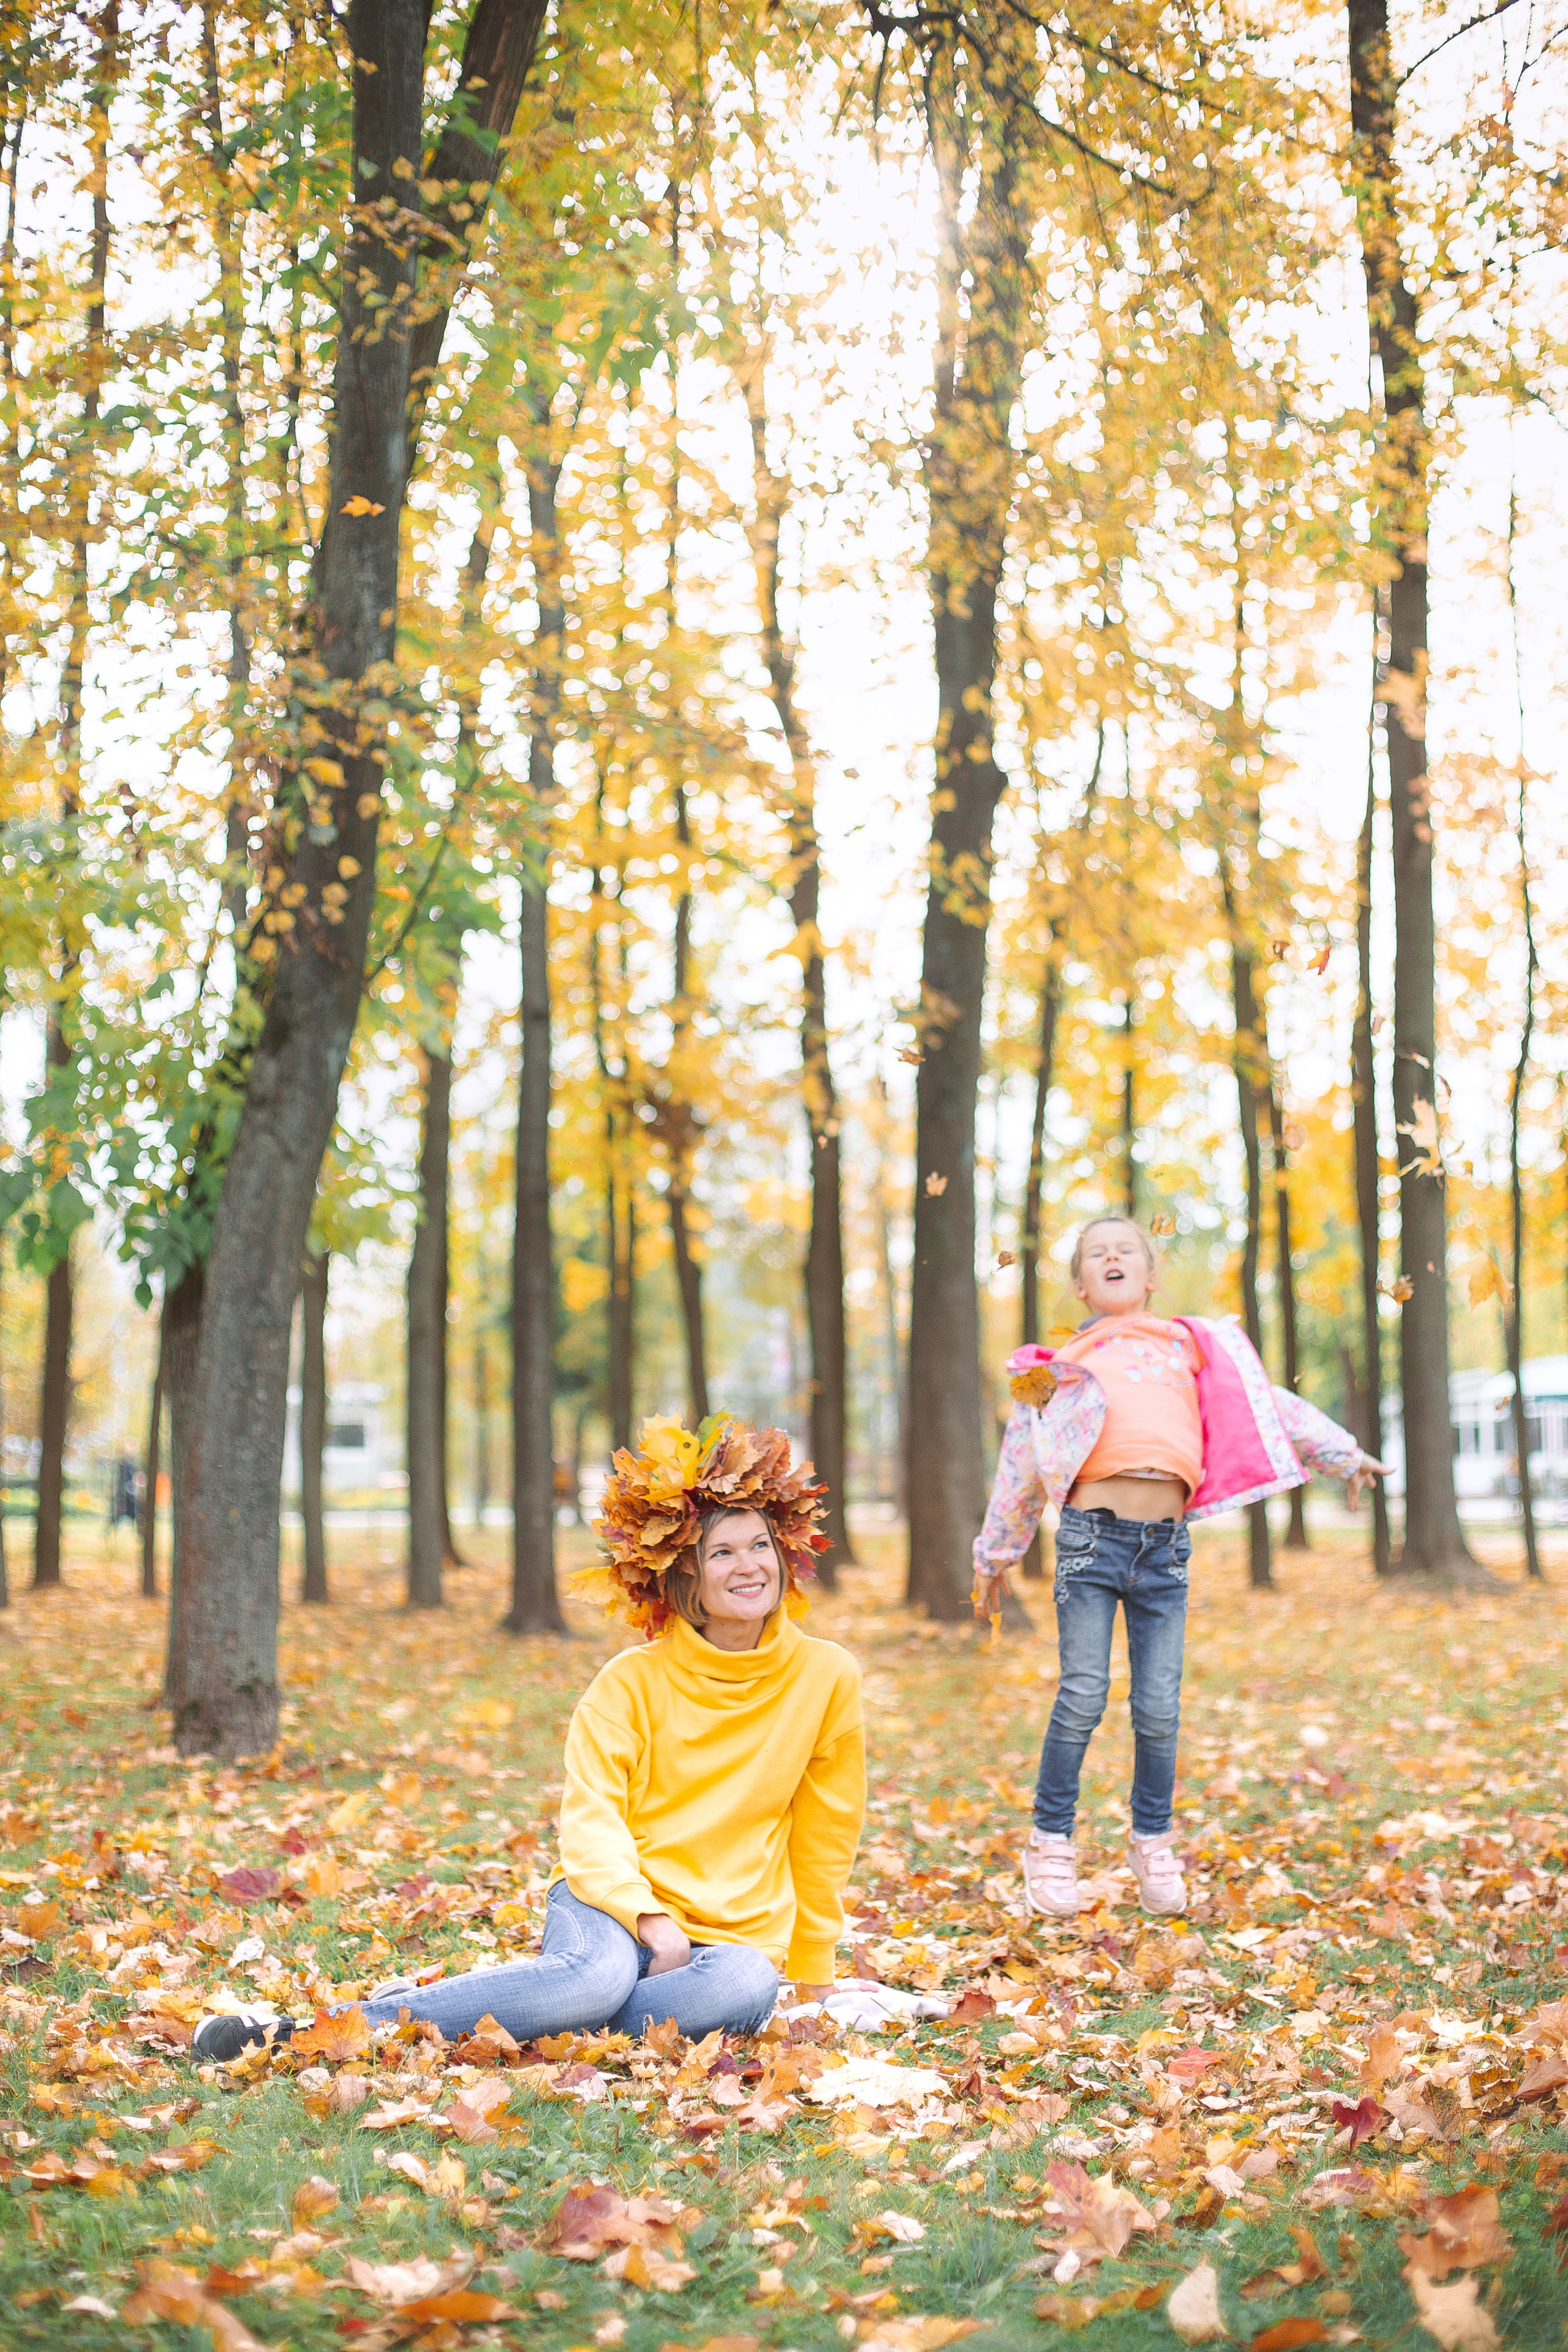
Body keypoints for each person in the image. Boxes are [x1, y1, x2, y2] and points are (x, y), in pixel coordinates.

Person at [192, 1415, 864, 2063]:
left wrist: (814, 1969)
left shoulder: (826, 1675)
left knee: (746, 1985)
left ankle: (491, 2012)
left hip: (728, 1941)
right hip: (609, 1901)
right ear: (683, 1573)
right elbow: (593, 1819)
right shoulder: (629, 1682)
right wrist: (648, 1918)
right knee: (595, 1980)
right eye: (722, 1552)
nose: (749, 1566)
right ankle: (309, 2033)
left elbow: (824, 1833)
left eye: (759, 1546)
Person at [973, 1216, 1385, 1922]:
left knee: (1159, 1708)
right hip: (1089, 1543)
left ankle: (1152, 1840)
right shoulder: (1059, 1366)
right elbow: (1020, 1461)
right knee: (1083, 1694)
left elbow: (1268, 1405)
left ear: (1150, 1274)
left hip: (1164, 1550)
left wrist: (1343, 1454)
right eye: (1096, 1253)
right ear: (1080, 1284)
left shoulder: (1187, 1348)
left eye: (1125, 1250)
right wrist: (995, 1555)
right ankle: (1050, 1841)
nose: (1111, 1257)